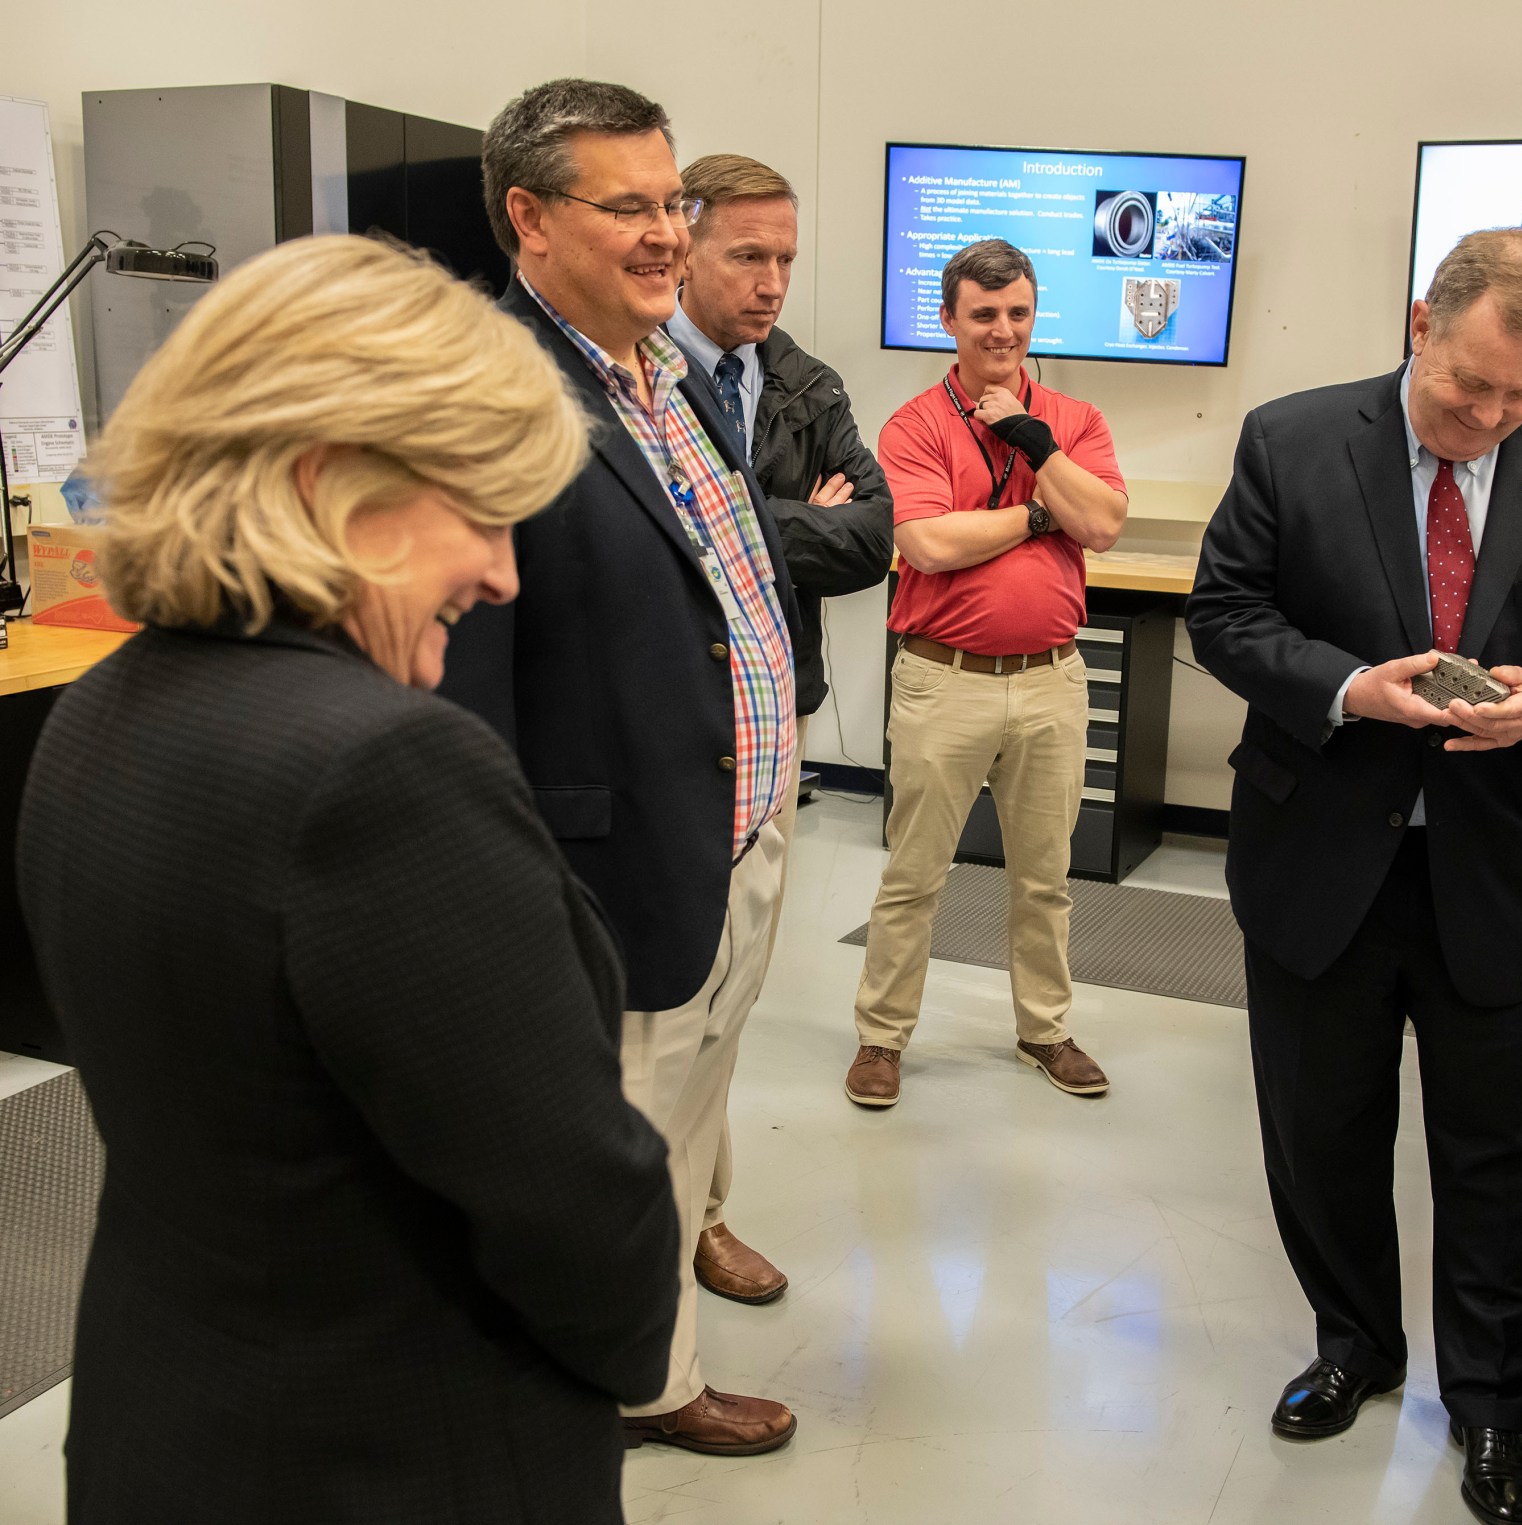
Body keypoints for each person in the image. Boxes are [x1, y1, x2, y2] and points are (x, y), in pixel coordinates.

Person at [16, 235, 681, 1525]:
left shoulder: (98, 716)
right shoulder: (383, 774)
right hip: (389, 1452)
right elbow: (575, 1204)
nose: (500, 571)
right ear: (333, 483)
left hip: (170, 1420)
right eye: (481, 511)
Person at [1184, 228, 1522, 1525]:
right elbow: (1225, 616)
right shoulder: (1294, 441)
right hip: (1320, 862)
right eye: (1472, 387)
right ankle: (1355, 1346)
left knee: (1497, 1153)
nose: (1494, 416)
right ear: (1419, 324)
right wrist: (1348, 687)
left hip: (1499, 868)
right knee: (1322, 1129)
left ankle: (1497, 1406)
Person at [441, 79, 798, 1455]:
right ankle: (638, 1386)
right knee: (621, 1147)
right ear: (530, 217)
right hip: (608, 863)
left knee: (688, 1119)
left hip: (737, 830)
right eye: (633, 207)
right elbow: (465, 687)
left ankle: (646, 1329)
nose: (668, 238)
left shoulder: (673, 374)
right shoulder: (492, 394)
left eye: (674, 206)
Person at [665, 152, 892, 1304]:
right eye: (746, 255)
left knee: (733, 995)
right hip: (664, 726)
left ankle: (703, 1210)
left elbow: (873, 541)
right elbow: (667, 534)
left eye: (786, 259)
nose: (769, 283)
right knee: (658, 1008)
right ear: (677, 243)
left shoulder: (798, 379)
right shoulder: (634, 371)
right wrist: (793, 517)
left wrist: (741, 523)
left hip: (771, 721)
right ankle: (647, 1249)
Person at [846, 238, 1128, 1108]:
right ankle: (882, 1038)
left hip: (1051, 680)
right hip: (944, 679)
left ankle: (1045, 1029)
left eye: (1018, 313)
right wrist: (1045, 511)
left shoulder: (1073, 420)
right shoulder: (914, 425)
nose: (1003, 330)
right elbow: (927, 542)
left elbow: (1107, 522)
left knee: (1045, 877)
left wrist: (1032, 441)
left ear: (1033, 315)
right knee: (914, 873)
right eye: (984, 314)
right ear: (950, 321)